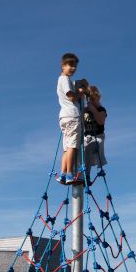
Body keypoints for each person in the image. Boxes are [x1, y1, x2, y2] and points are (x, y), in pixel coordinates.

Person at [56, 53, 89, 185]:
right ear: (63, 65)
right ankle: (70, 174)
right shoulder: (64, 80)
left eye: (75, 66)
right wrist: (81, 92)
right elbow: (71, 97)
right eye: (70, 65)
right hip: (72, 116)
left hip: (64, 116)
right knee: (72, 147)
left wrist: (79, 85)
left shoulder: (64, 81)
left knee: (66, 148)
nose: (73, 68)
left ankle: (63, 174)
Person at [83, 85, 107, 186]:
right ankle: (77, 173)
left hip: (97, 138)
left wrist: (93, 110)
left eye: (93, 99)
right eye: (88, 100)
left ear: (98, 97)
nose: (91, 102)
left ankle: (87, 176)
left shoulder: (101, 110)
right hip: (86, 138)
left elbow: (101, 121)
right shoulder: (85, 110)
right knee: (77, 150)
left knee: (88, 149)